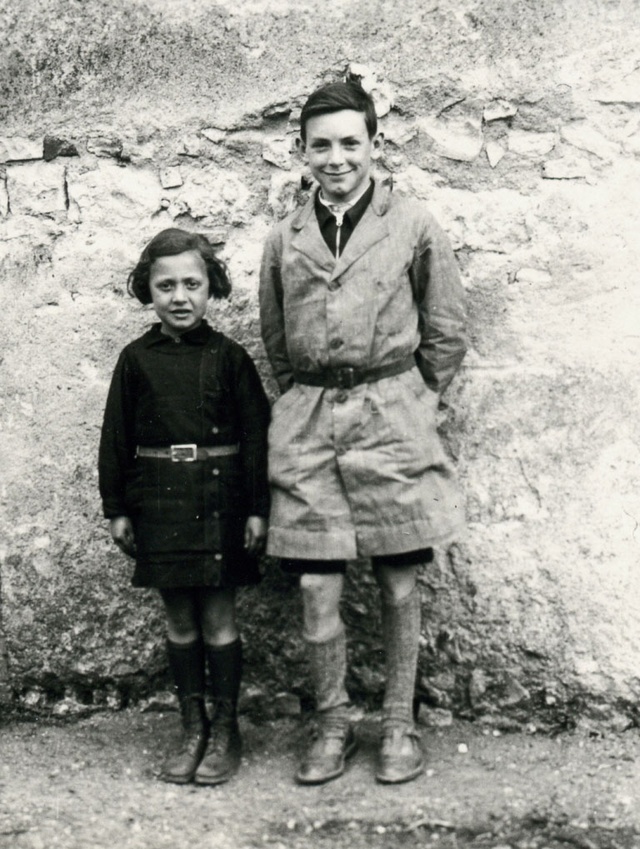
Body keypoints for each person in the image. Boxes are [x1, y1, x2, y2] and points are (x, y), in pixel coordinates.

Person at [259, 81, 466, 785]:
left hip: (392, 416)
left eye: (351, 142)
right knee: (316, 586)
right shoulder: (284, 236)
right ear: (303, 153)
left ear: (375, 144)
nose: (337, 157)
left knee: (399, 580)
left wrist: (411, 397)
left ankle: (400, 724)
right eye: (322, 144)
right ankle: (333, 721)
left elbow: (446, 332)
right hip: (311, 423)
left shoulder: (412, 224)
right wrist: (306, 401)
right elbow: (276, 340)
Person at [99, 228, 270, 786]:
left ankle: (225, 730)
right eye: (165, 284)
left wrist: (257, 509)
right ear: (146, 290)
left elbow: (257, 438)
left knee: (218, 616)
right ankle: (191, 725)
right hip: (162, 502)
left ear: (211, 287)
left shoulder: (230, 358)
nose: (179, 296)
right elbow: (115, 437)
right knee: (178, 618)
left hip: (219, 499)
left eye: (191, 284)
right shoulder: (135, 360)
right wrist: (118, 507)